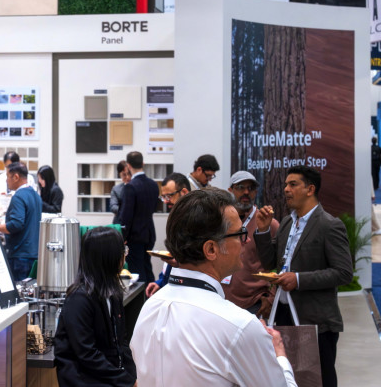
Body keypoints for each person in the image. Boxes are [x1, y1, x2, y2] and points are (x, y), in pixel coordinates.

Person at [130, 190, 297, 387]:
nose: (247, 240)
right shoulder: (238, 326)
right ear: (211, 249)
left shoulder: (149, 309)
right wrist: (279, 355)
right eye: (240, 234)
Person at [254, 166, 352, 387]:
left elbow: (344, 272)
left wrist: (298, 279)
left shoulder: (329, 225)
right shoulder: (287, 223)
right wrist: (263, 230)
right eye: (285, 185)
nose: (286, 189)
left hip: (315, 319)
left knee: (320, 380)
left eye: (293, 184)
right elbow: (270, 263)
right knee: (289, 376)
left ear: (310, 189)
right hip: (283, 314)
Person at [54, 227, 137, 387]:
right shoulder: (79, 299)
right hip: (83, 378)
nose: (125, 256)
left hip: (106, 374)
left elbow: (122, 342)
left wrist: (131, 376)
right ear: (109, 257)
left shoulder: (114, 292)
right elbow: (87, 354)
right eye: (123, 251)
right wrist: (126, 381)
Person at [223, 171, 280, 316]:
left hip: (254, 304)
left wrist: (271, 299)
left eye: (251, 188)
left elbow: (283, 265)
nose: (246, 192)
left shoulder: (268, 224)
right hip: (222, 302)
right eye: (240, 187)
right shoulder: (221, 222)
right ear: (230, 190)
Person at [0, 163, 42, 281]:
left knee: (19, 290)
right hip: (34, 253)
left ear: (16, 177)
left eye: (8, 176)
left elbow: (16, 224)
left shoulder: (18, 196)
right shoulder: (35, 195)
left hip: (20, 254)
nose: (6, 181)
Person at [145, 172, 190, 298]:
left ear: (184, 192)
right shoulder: (176, 217)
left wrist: (180, 263)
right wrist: (161, 281)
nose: (165, 201)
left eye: (169, 196)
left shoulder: (196, 220)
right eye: (163, 197)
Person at [118, 151, 159, 284]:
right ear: (143, 163)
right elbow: (154, 208)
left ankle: (141, 296)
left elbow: (126, 216)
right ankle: (151, 292)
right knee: (147, 268)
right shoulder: (153, 185)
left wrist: (123, 236)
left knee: (137, 271)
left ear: (128, 166)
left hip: (134, 236)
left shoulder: (130, 187)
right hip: (149, 233)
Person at [110, 160, 131, 225]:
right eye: (124, 175)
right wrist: (127, 210)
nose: (127, 177)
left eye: (129, 174)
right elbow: (113, 207)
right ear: (120, 174)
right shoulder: (116, 189)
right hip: (119, 223)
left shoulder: (138, 188)